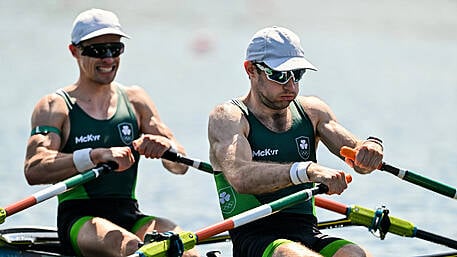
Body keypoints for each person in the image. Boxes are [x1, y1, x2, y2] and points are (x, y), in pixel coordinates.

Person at [24, 8, 199, 257]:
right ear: (74, 51)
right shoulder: (55, 106)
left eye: (115, 49)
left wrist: (165, 149)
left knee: (184, 248)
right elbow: (34, 167)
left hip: (130, 214)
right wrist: (95, 156)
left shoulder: (136, 100)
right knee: (128, 246)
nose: (108, 58)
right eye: (97, 51)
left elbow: (180, 166)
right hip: (79, 218)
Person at [207, 26, 384, 257]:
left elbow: (357, 155)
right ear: (251, 70)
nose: (291, 86)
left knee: (358, 254)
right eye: (279, 75)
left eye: (297, 74)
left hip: (308, 232)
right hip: (256, 239)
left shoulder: (313, 111)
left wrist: (371, 148)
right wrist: (306, 171)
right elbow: (240, 177)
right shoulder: (228, 117)